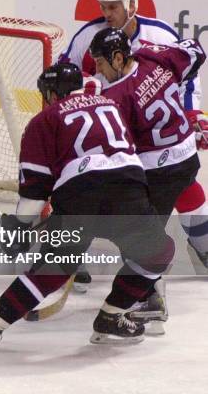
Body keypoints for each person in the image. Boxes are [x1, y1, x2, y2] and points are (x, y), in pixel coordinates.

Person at [0, 63, 175, 347]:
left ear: (53, 93)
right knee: (159, 252)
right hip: (126, 187)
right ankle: (111, 314)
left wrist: (18, 230)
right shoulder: (110, 104)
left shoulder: (43, 120)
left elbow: (35, 191)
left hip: (79, 194)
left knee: (54, 268)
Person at [59, 0, 208, 283]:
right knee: (86, 191)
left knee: (182, 189)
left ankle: (198, 249)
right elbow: (64, 76)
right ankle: (72, 256)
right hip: (110, 135)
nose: (107, 14)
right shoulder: (90, 36)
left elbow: (188, 79)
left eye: (113, 7)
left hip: (151, 137)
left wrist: (191, 113)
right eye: (104, 7)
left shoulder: (159, 34)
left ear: (131, 5)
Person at [89, 28, 206, 327]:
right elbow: (196, 52)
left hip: (160, 173)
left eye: (101, 63)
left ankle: (150, 300)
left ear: (117, 57)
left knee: (143, 240)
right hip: (187, 157)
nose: (99, 71)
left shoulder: (116, 97)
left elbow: (117, 150)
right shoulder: (153, 57)